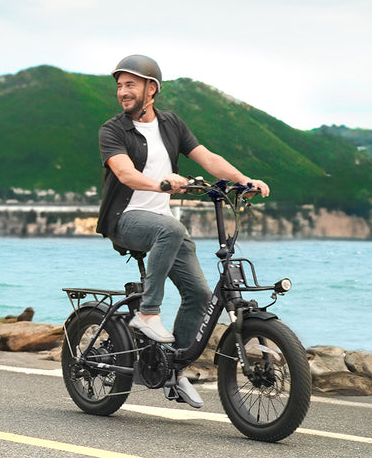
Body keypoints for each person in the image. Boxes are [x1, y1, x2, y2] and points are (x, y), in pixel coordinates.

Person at [96, 54, 270, 407]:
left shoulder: (171, 124)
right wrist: (161, 184)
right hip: (125, 220)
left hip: (162, 225)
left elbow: (208, 158)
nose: (122, 92)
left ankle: (174, 371)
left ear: (151, 88)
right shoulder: (112, 130)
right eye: (120, 86)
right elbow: (125, 173)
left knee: (200, 296)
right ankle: (147, 313)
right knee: (172, 229)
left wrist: (243, 179)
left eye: (130, 85)